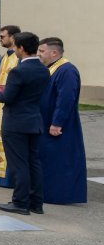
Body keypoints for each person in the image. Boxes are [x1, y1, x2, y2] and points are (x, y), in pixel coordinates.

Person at [0, 32, 48, 215]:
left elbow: (8, 97)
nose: (13, 49)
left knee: (19, 164)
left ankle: (20, 202)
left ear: (21, 48)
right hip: (34, 120)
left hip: (16, 122)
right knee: (33, 162)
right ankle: (36, 203)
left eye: (15, 46)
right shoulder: (43, 69)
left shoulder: (18, 71)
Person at [36, 37, 87, 205]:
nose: (38, 54)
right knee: (49, 159)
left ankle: (60, 195)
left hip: (59, 124)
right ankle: (47, 192)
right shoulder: (52, 68)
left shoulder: (67, 70)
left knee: (61, 160)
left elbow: (66, 98)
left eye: (42, 51)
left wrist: (57, 122)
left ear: (54, 53)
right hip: (46, 120)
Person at [0, 25, 22, 187]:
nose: (0, 39)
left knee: (9, 141)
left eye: (2, 37)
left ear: (13, 37)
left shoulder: (18, 57)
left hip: (11, 103)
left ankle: (9, 178)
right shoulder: (4, 57)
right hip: (0, 102)